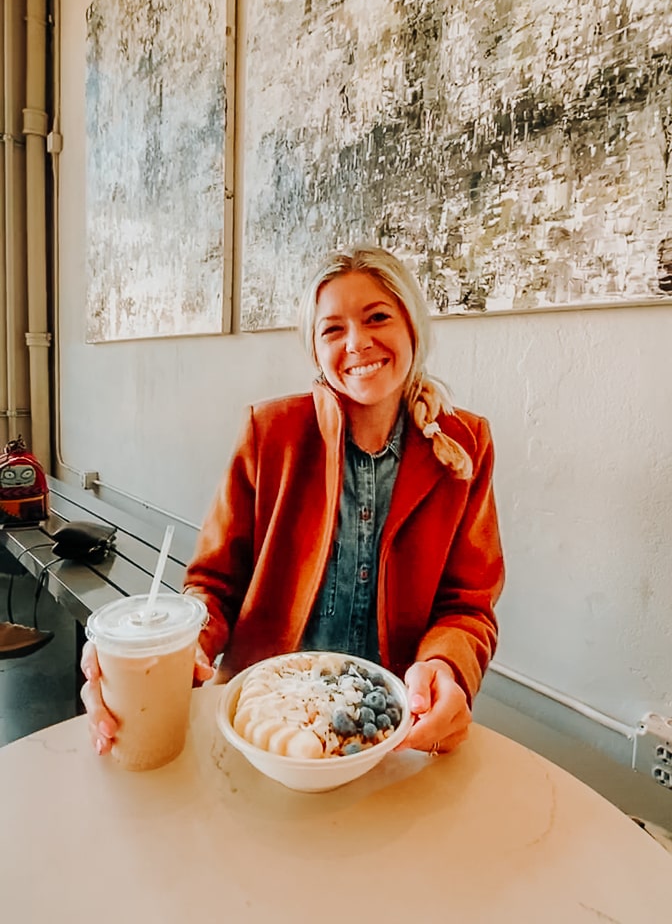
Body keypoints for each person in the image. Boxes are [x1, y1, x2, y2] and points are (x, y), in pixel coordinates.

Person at [81, 246, 505, 756]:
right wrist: (179, 645)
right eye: (332, 329)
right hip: (266, 721)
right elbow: (213, 584)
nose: (357, 343)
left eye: (377, 318)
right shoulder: (271, 433)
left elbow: (468, 605)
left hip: (393, 731)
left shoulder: (466, 444)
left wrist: (446, 666)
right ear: (315, 348)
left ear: (413, 325)